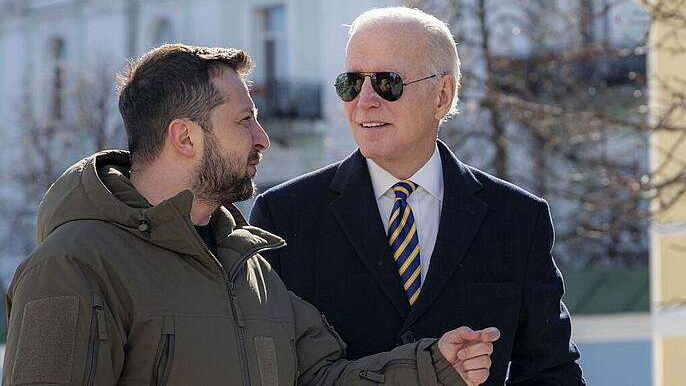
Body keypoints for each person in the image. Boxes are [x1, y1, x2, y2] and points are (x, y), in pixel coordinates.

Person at [2, 44, 499, 386]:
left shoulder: (249, 266)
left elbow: (319, 378)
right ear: (185, 137)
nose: (261, 138)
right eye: (244, 120)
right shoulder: (73, 266)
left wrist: (434, 366)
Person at [250, 7, 586, 385]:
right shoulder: (284, 217)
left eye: (387, 82)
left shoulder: (518, 219)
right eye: (351, 83)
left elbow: (552, 371)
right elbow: (270, 371)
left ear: (442, 95)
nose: (365, 100)